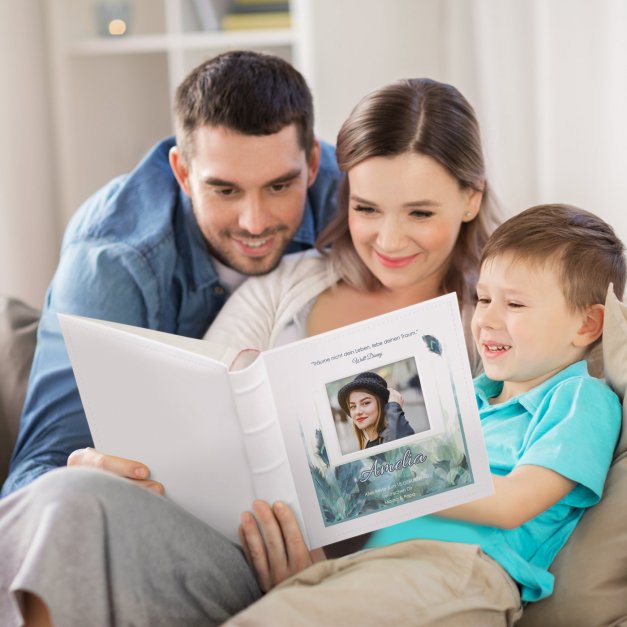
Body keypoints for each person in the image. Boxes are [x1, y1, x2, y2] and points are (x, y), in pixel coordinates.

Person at [0, 77, 500, 626]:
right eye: (367, 209)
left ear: (470, 197)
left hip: (359, 582)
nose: (389, 239)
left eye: (420, 214)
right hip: (218, 548)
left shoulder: (491, 324)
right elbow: (192, 401)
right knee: (70, 498)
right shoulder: (291, 282)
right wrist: (112, 465)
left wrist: (320, 578)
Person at [223, 204, 624, 626]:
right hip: (375, 565)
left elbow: (513, 504)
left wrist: (394, 474)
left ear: (587, 325)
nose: (486, 318)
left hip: (460, 570)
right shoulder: (464, 394)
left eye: (516, 304)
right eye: (483, 298)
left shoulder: (581, 398)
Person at [1, 50, 340, 497]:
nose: (254, 222)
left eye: (279, 186)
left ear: (312, 163)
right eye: (224, 190)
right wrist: (79, 483)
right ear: (182, 172)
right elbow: (30, 480)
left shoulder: (355, 201)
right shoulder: (112, 263)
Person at [336, 371, 415, 449]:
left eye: (366, 403)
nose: (357, 412)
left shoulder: (392, 438)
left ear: (382, 405)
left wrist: (394, 408)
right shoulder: (369, 447)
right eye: (353, 406)